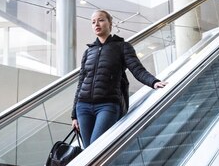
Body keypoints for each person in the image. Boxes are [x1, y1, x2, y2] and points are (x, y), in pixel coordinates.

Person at [71, 9, 166, 148]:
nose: (96, 24)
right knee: (88, 151)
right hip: (83, 106)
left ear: (110, 23)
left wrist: (154, 82)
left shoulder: (122, 46)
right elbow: (81, 82)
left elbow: (137, 69)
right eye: (93, 22)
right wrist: (74, 115)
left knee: (96, 148)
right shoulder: (88, 51)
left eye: (101, 20)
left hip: (107, 105)